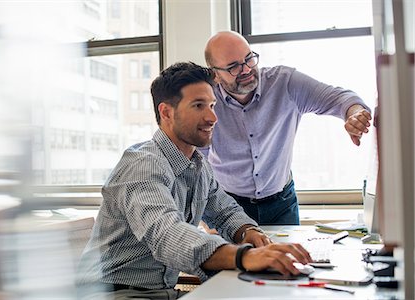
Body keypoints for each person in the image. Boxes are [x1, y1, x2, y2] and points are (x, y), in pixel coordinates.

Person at [77, 62, 312, 300]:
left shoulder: (198, 165)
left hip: (163, 293)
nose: (212, 117)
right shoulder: (143, 164)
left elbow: (225, 212)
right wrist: (245, 257)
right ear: (166, 112)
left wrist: (249, 233)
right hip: (113, 293)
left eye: (212, 105)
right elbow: (167, 234)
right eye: (199, 106)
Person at [203, 31, 372, 225]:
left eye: (249, 59)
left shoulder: (284, 83)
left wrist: (354, 114)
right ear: (215, 74)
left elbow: (340, 98)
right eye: (234, 67)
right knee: (233, 257)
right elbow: (196, 160)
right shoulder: (206, 101)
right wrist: (207, 213)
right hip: (228, 206)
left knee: (290, 256)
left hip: (281, 204)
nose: (247, 69)